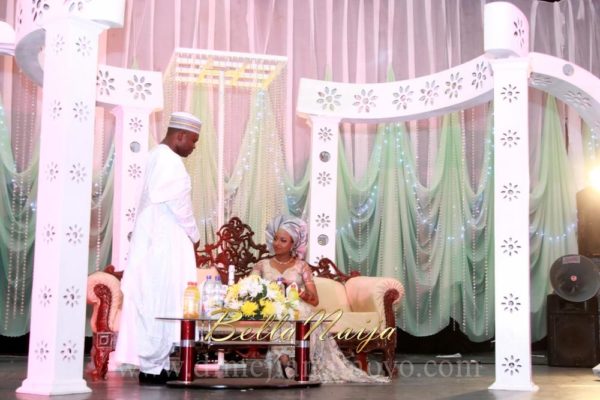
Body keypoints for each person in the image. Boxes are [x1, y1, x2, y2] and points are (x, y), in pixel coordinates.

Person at [114, 112, 202, 385]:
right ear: (180, 136)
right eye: (193, 141)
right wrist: (195, 235)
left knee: (160, 300)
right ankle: (153, 368)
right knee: (161, 300)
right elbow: (179, 205)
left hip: (157, 242)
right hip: (163, 245)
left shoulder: (156, 156)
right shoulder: (169, 160)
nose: (194, 147)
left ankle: (157, 366)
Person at [251, 215, 389, 383]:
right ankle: (287, 361)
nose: (277, 243)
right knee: (280, 314)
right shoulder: (261, 265)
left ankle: (290, 362)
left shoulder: (302, 266)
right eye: (275, 239)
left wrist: (297, 291)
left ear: (293, 244)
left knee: (296, 314)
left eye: (283, 240)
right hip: (272, 309)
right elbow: (251, 290)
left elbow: (314, 300)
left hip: (297, 308)